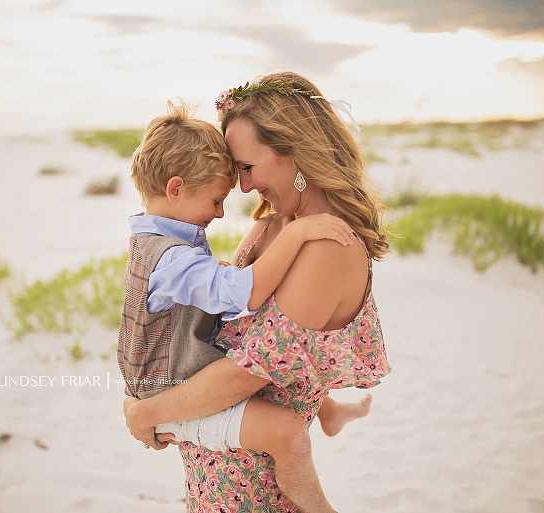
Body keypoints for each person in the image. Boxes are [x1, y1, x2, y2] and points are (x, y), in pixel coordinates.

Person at [124, 71, 391, 513]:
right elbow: (229, 320)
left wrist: (145, 413)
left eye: (247, 167)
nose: (244, 187)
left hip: (256, 489)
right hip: (214, 473)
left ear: (297, 152)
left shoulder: (326, 247)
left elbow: (248, 371)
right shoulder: (273, 223)